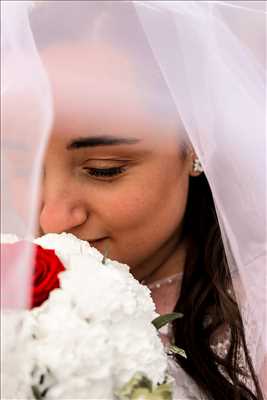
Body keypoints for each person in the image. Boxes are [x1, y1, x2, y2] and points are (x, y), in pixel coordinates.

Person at [2, 1, 266, 399]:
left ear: (196, 143)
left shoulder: (257, 321)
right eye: (24, 167)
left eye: (104, 169)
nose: (53, 218)